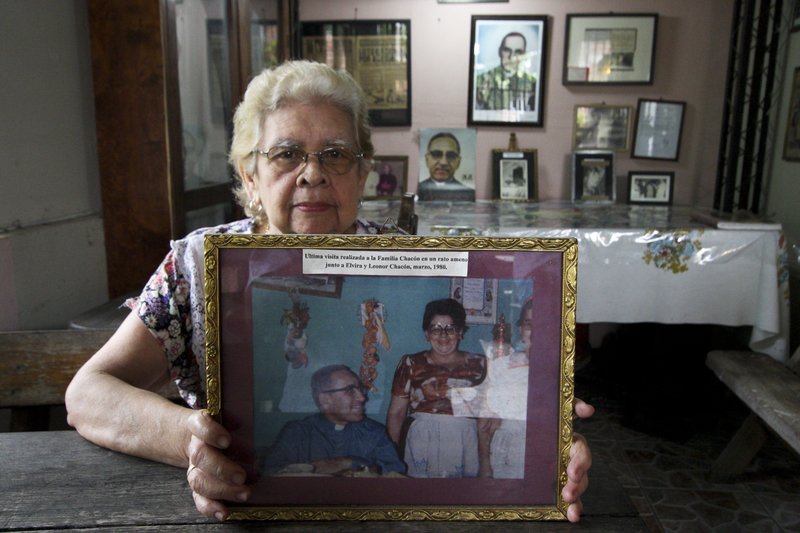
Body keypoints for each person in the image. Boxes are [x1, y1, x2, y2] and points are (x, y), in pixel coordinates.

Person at [65, 60, 593, 523]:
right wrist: (194, 441)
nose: (312, 174)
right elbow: (88, 394)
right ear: (250, 175)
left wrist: (545, 434)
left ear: (362, 173)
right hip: (242, 508)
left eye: (336, 154)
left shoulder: (401, 256)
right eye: (287, 153)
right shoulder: (194, 265)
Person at [386, 298, 487, 478]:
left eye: (451, 329)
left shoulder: (480, 363)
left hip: (466, 439)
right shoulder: (411, 363)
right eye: (435, 329)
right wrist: (391, 457)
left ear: (460, 332)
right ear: (426, 334)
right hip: (422, 439)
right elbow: (396, 413)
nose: (443, 336)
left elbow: (487, 415)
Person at [260, 365, 405, 476]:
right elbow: (271, 472)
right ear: (325, 400)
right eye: (350, 390)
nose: (362, 397)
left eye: (360, 389)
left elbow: (395, 473)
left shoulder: (374, 433)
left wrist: (348, 462)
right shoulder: (297, 432)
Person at [475, 32, 537, 112]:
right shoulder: (481, 80)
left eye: (518, 52)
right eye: (507, 50)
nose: (511, 56)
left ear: (524, 55)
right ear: (500, 52)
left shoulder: (533, 83)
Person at [417, 132, 475, 201]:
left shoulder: (470, 194)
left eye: (451, 155)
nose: (443, 162)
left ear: (458, 162)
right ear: (427, 160)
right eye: (436, 154)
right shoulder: (418, 190)